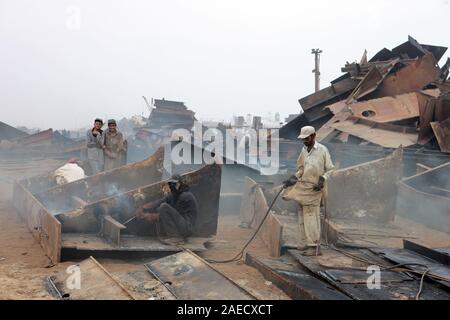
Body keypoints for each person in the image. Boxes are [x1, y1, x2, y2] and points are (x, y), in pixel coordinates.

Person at [282, 126, 334, 256]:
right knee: (302, 215)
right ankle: (305, 242)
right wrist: (294, 177)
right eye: (303, 139)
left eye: (307, 138)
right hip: (303, 188)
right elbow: (301, 169)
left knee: (311, 216)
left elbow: (331, 169)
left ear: (313, 136)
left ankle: (314, 246)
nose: (304, 141)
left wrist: (322, 179)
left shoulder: (322, 150)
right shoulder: (304, 150)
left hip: (316, 188)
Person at [135, 174, 198, 244]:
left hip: (186, 228)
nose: (170, 186)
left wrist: (151, 216)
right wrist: (142, 207)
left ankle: (176, 238)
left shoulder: (185, 196)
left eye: (172, 184)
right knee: (161, 207)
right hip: (182, 225)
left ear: (178, 184)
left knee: (163, 207)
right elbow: (159, 202)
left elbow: (173, 214)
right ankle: (175, 237)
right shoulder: (175, 194)